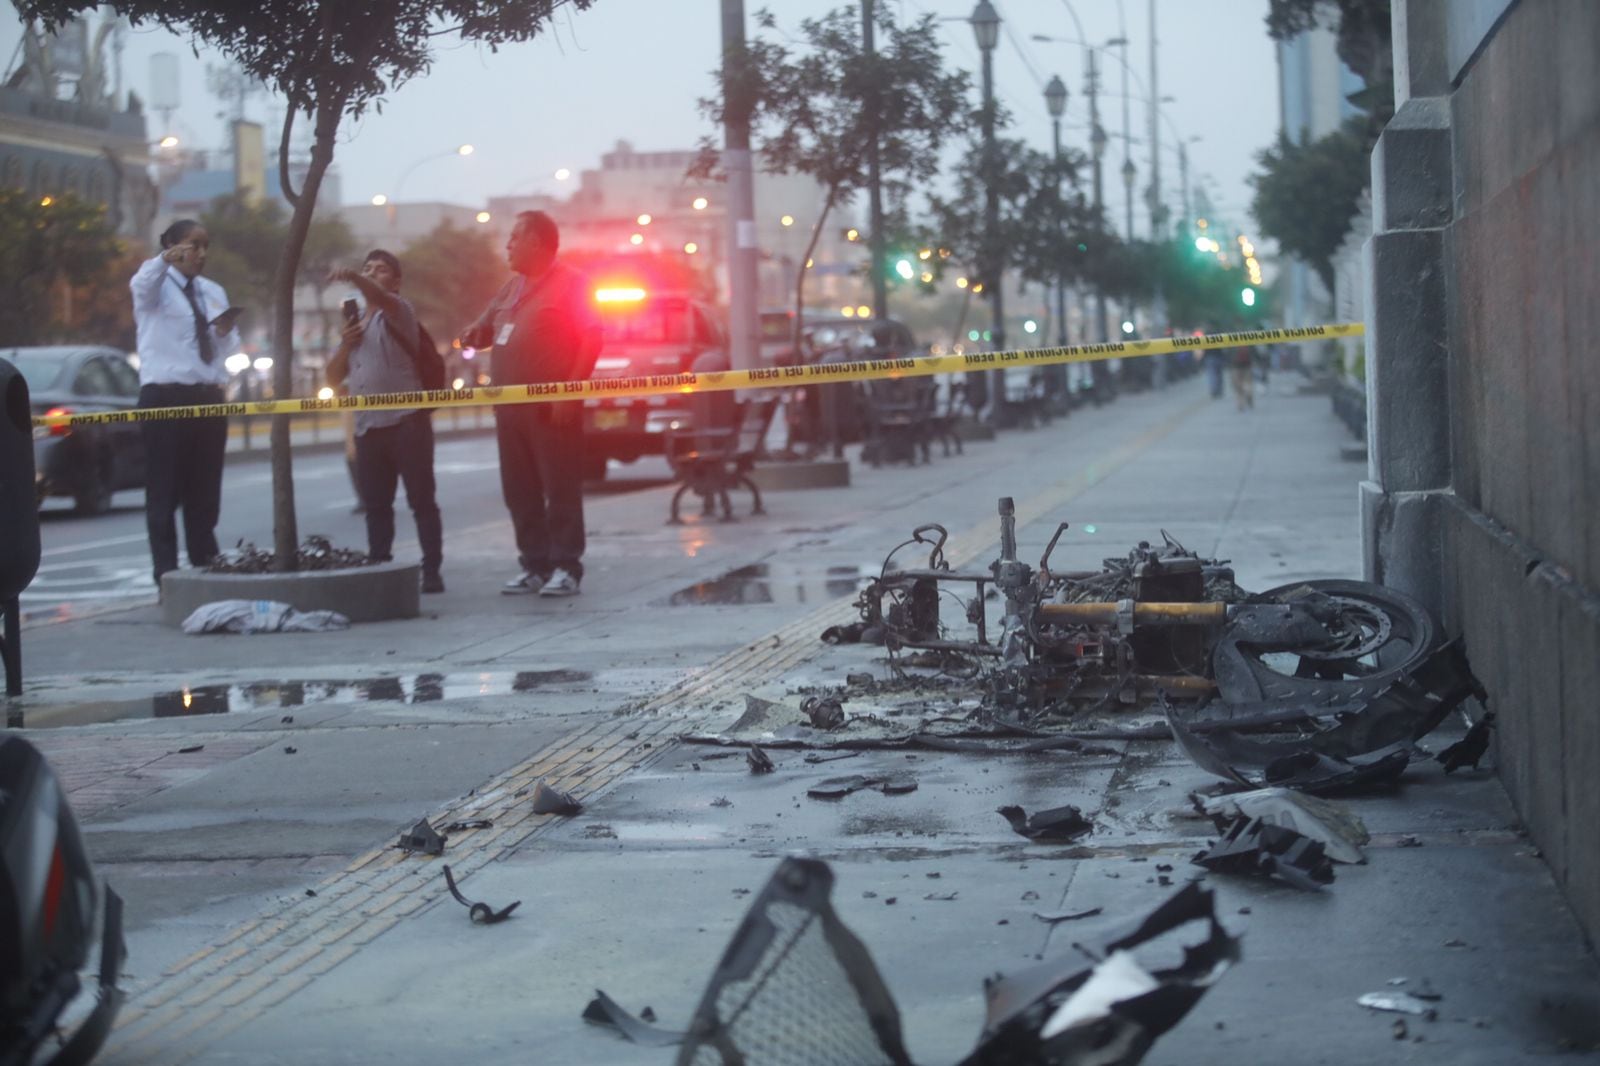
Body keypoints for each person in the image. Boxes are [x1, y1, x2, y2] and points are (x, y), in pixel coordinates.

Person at [460, 211, 600, 598]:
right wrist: (472, 336)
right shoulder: (511, 289)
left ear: (537, 242)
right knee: (518, 490)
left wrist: (570, 391)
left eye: (514, 237)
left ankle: (566, 567)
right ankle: (534, 565)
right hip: (510, 409)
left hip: (551, 409)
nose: (508, 245)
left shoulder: (575, 284)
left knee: (560, 487)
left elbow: (592, 339)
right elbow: (485, 330)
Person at [130, 219, 243, 589]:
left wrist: (225, 333)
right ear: (174, 247)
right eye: (194, 245)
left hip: (208, 396)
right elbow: (142, 285)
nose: (201, 254)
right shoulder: (156, 286)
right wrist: (163, 260)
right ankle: (166, 575)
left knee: (205, 489)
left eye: (205, 245)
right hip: (166, 396)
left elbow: (229, 348)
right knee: (164, 489)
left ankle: (205, 565)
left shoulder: (212, 291)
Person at [325, 250, 445, 593]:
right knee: (376, 506)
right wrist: (346, 346)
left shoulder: (398, 310)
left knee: (422, 500)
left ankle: (432, 571)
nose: (373, 274)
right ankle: (380, 567)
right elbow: (333, 377)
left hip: (407, 423)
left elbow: (377, 295)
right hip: (368, 427)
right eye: (368, 269)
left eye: (381, 270)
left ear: (395, 282)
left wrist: (353, 276)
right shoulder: (355, 323)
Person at [1230, 343, 1256, 411]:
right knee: (1247, 383)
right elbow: (1253, 353)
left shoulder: (1231, 341)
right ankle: (1249, 395)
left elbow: (1229, 355)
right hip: (1247, 366)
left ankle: (1240, 404)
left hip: (1236, 367)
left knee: (1238, 387)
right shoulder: (1248, 340)